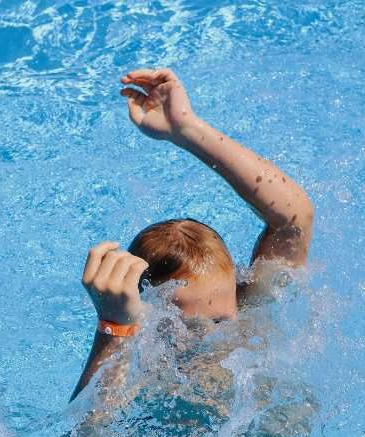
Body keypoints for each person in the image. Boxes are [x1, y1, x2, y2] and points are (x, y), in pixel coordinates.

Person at [71, 67, 314, 404]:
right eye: (183, 326)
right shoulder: (137, 372)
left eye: (219, 319)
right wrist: (113, 328)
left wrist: (187, 129)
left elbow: (294, 218)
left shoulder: (249, 312)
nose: (207, 339)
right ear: (144, 315)